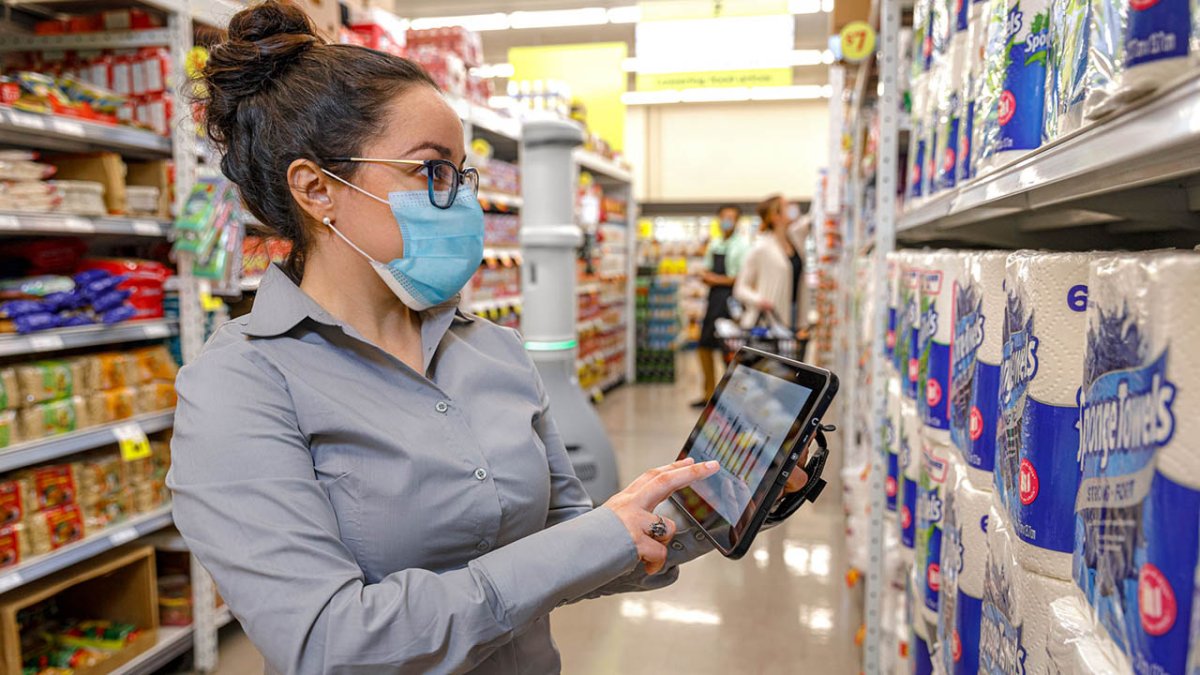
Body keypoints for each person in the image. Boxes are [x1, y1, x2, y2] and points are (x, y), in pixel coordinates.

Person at [167, 5, 811, 674]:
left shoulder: (496, 352)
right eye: (431, 172)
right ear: (317, 189)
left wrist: (734, 495)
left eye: (462, 175)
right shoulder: (238, 386)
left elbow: (577, 548)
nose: (461, 201)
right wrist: (590, 538)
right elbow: (331, 642)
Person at [692, 205, 750, 408]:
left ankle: (733, 395)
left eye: (731, 218)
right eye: (724, 217)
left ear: (737, 221)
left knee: (729, 348)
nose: (727, 221)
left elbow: (740, 278)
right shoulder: (715, 244)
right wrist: (711, 278)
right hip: (713, 299)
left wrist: (716, 279)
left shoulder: (742, 246)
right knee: (704, 345)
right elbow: (706, 272)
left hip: (731, 301)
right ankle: (708, 393)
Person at [734, 195, 812, 340]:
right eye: (787, 206)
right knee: (778, 362)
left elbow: (812, 218)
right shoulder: (761, 248)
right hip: (772, 320)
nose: (793, 209)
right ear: (775, 216)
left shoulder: (795, 238)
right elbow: (740, 289)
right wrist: (760, 300)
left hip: (797, 316)